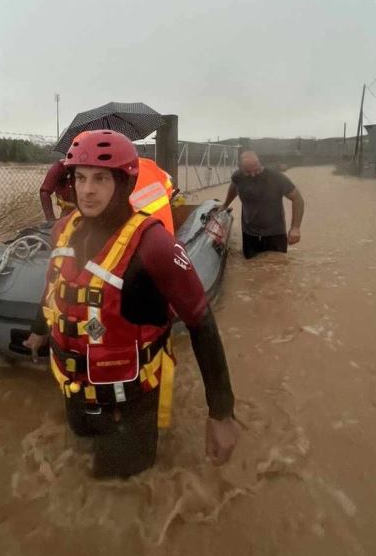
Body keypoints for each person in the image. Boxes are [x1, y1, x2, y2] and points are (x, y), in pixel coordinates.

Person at [24, 130, 238, 478]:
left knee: (121, 486)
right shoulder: (62, 229)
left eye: (100, 178)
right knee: (78, 455)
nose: (87, 189)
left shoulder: (155, 245)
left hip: (130, 401)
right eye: (79, 178)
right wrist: (39, 330)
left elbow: (201, 322)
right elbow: (56, 286)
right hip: (76, 388)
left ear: (123, 183)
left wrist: (221, 413)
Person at [218, 150, 305, 259]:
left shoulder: (276, 177)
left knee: (278, 269)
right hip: (249, 234)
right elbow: (234, 187)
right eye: (248, 172)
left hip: (275, 234)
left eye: (256, 170)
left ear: (260, 163)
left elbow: (297, 198)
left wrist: (295, 228)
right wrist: (225, 204)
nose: (253, 174)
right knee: (250, 268)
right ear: (240, 168)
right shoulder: (238, 176)